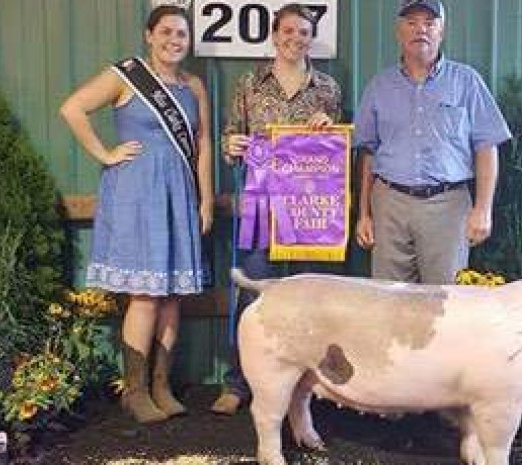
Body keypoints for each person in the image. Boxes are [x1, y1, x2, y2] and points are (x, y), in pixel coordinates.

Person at [59, 5, 214, 423]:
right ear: (149, 35)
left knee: (172, 295)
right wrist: (105, 154)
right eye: (166, 32)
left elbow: (203, 145)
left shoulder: (194, 85)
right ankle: (135, 390)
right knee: (145, 295)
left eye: (181, 34)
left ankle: (161, 385)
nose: (174, 40)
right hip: (137, 193)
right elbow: (72, 108)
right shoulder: (125, 75)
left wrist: (204, 200)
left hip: (178, 193)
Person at [211, 3, 342, 415]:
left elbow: (335, 153)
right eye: (288, 30)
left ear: (310, 38)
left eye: (303, 32)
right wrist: (230, 146)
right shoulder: (249, 83)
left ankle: (306, 384)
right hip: (260, 206)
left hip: (307, 210)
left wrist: (329, 128)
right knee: (252, 292)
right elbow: (231, 137)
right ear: (274, 34)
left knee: (307, 296)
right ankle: (238, 382)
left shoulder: (328, 89)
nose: (295, 38)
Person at [354, 0, 511, 284]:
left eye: (429, 23)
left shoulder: (467, 82)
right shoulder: (378, 87)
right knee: (389, 299)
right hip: (389, 205)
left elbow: (487, 147)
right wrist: (363, 214)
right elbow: (367, 153)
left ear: (442, 30)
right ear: (398, 31)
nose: (420, 30)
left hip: (448, 207)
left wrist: (483, 209)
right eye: (412, 23)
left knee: (445, 301)